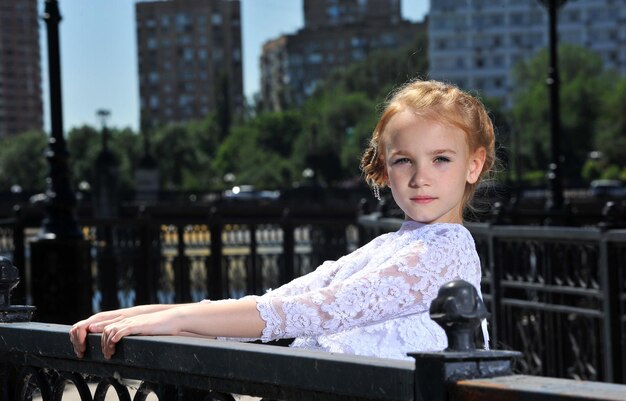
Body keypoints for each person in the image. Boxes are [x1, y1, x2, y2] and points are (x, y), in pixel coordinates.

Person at [69, 79, 496, 361]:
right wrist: (151, 313)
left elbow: (314, 310)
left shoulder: (447, 250)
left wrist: (174, 320)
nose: (421, 177)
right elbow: (287, 298)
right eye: (404, 160)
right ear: (385, 167)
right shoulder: (391, 245)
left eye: (441, 159)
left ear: (473, 166)